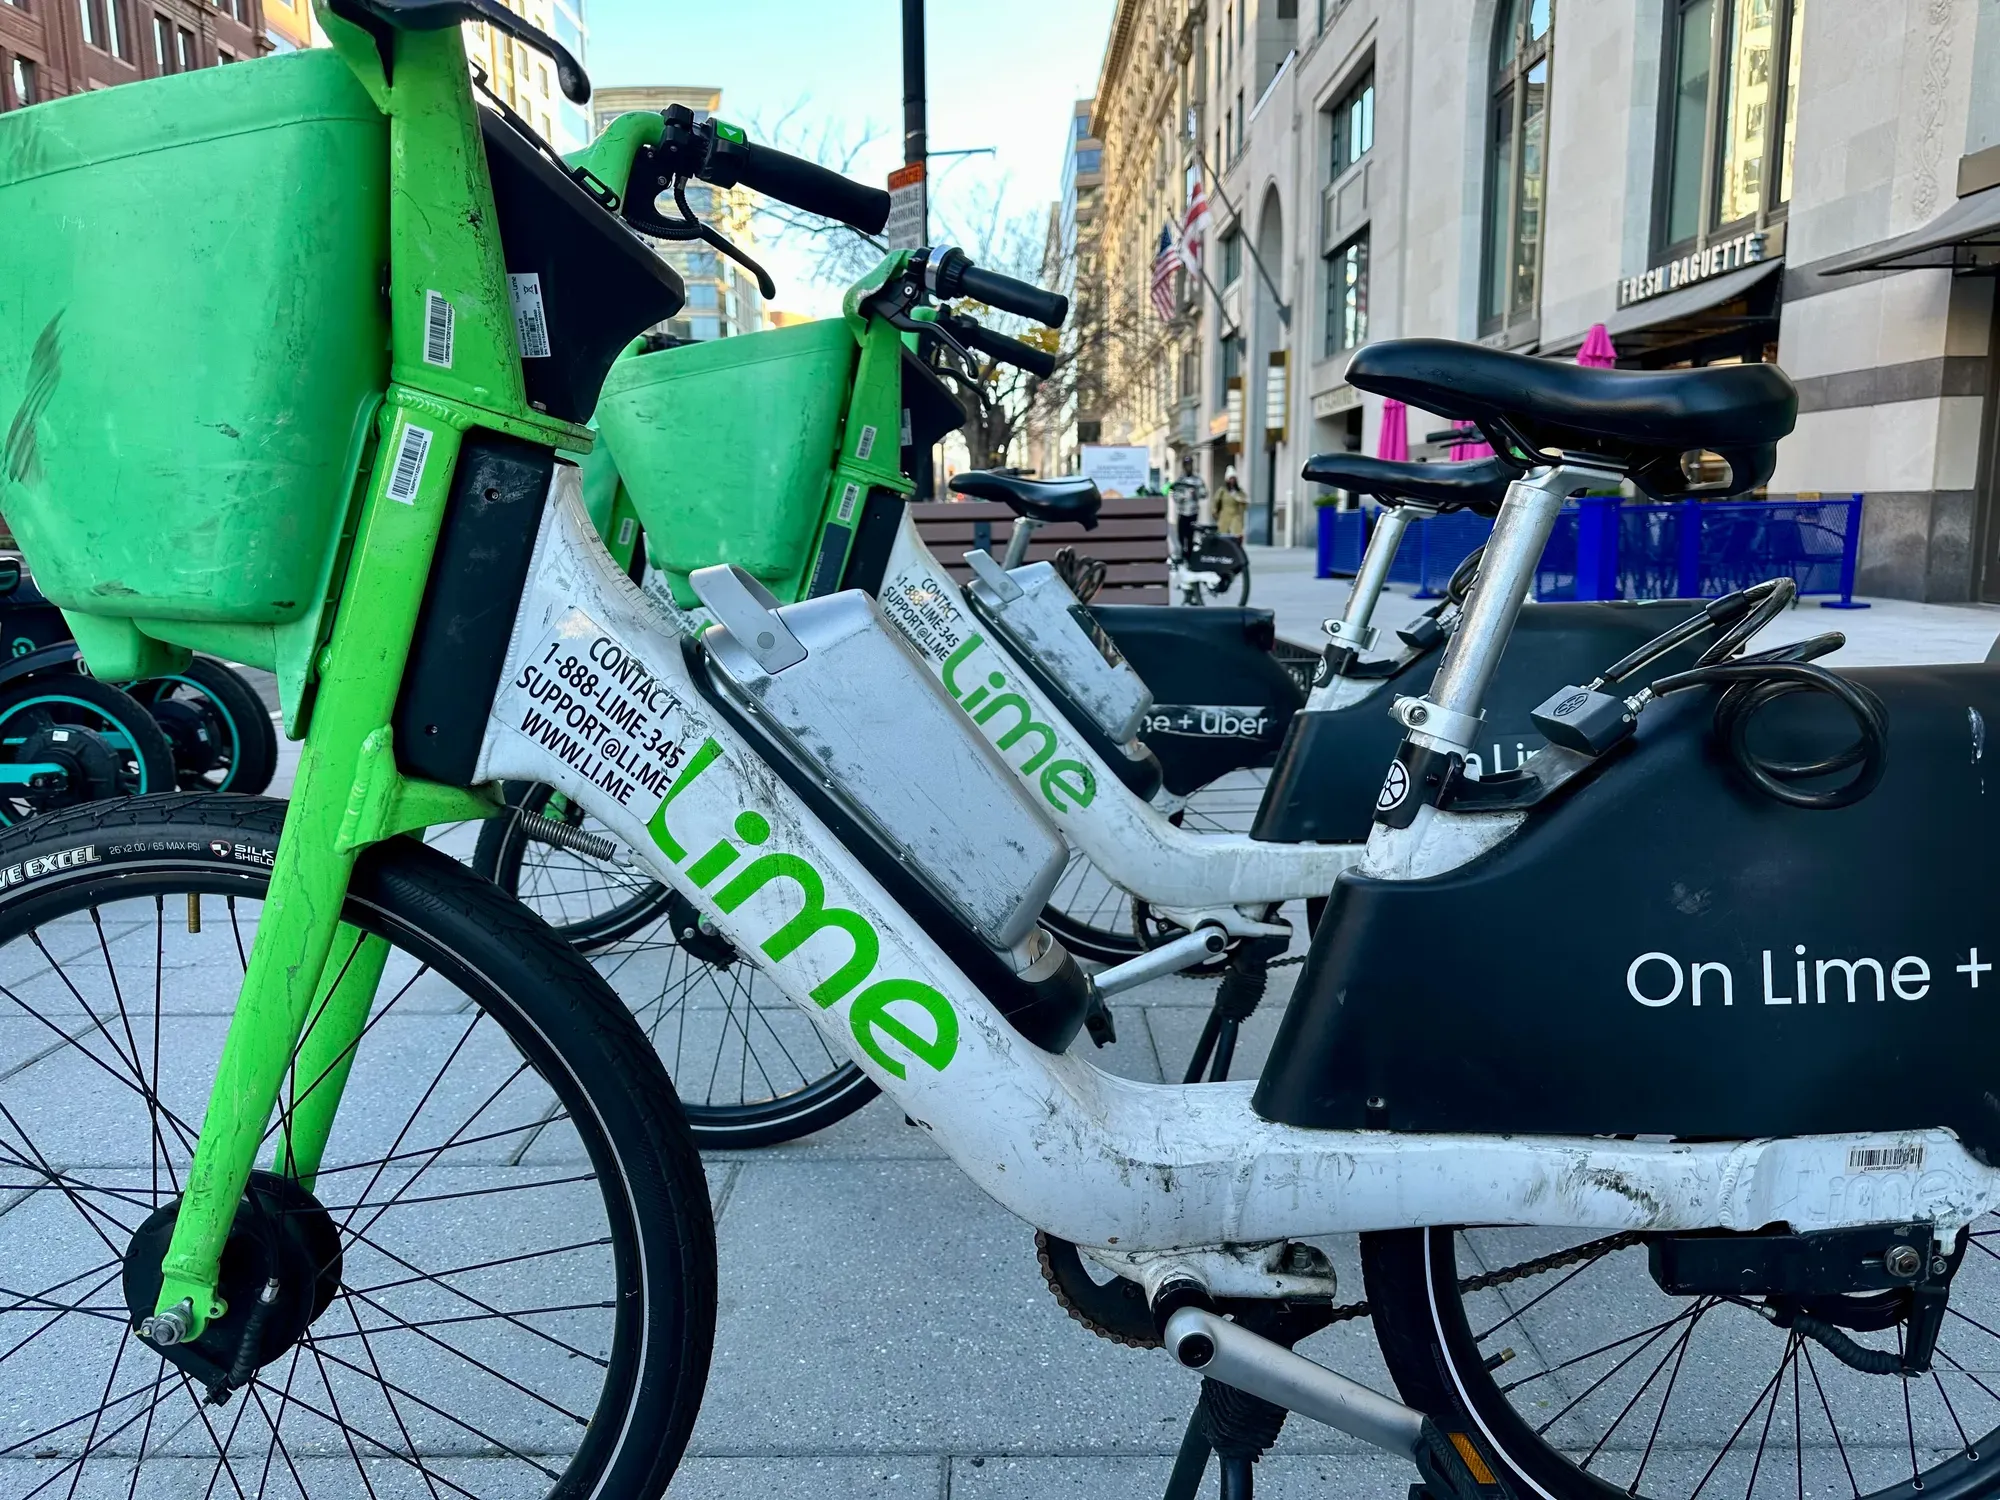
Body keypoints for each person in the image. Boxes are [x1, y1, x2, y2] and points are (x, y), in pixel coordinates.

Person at [1170, 467, 1206, 558]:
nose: (1188, 466)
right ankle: (1182, 553)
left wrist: (1196, 493)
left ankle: (1190, 556)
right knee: (1181, 535)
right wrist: (1182, 497)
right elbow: (1174, 495)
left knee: (1190, 535)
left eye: (1189, 464)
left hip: (1193, 512)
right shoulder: (1180, 480)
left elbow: (1204, 493)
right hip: (1182, 511)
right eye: (1186, 464)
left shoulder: (1197, 479)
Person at [1215, 466, 1247, 539]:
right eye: (1230, 479)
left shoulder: (1239, 491)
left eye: (1234, 478)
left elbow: (1244, 502)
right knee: (1223, 535)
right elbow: (1216, 502)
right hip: (1224, 516)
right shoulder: (1222, 491)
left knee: (1237, 535)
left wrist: (1241, 501)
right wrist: (1215, 514)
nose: (1232, 481)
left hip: (1235, 516)